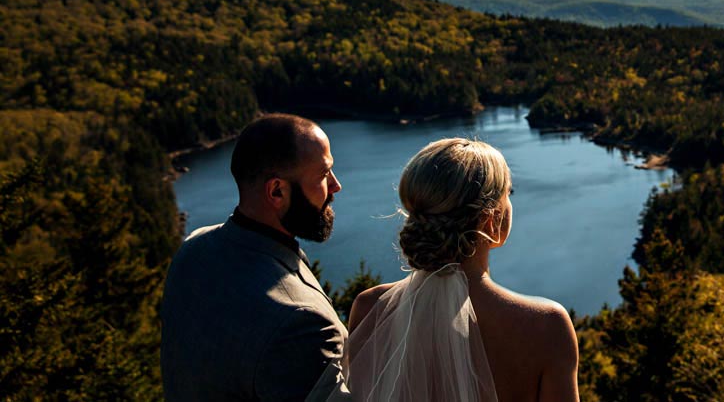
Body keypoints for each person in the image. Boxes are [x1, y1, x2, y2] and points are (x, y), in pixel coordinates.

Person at [328, 137, 579, 402]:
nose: (510, 202)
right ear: (489, 220)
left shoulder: (370, 308)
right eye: (508, 194)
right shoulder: (546, 327)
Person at [161, 113, 346, 401]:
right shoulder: (300, 324)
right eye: (324, 174)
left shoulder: (193, 250)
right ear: (276, 191)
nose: (335, 186)